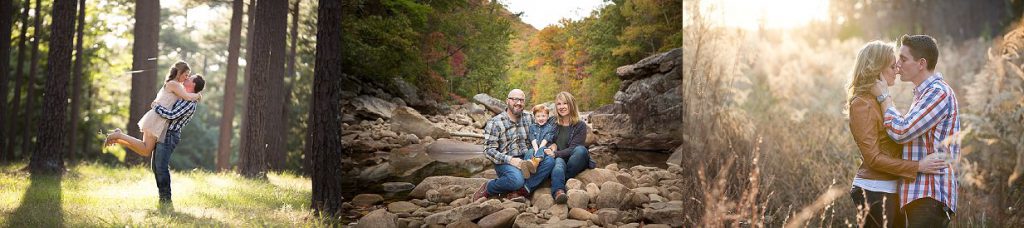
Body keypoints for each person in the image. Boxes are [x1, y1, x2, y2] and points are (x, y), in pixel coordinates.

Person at [846, 40, 944, 228]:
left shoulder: (880, 101)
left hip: (891, 190)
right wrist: (918, 166)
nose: (897, 70)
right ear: (876, 70)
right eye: (892, 66)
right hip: (873, 190)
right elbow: (873, 158)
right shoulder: (862, 104)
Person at [872, 34, 961, 227]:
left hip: (930, 195)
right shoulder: (924, 94)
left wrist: (884, 97)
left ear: (921, 63)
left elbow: (902, 131)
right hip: (921, 196)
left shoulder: (938, 92)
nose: (898, 64)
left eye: (903, 59)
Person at [472, 89, 557, 202]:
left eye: (521, 100)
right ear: (507, 101)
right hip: (506, 162)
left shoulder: (530, 118)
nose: (518, 103)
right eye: (515, 99)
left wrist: (553, 144)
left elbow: (544, 130)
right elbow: (488, 150)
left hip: (528, 158)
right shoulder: (495, 122)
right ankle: (489, 187)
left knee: (550, 161)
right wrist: (511, 160)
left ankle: (523, 190)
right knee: (517, 180)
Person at [104, 61, 202, 157]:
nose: (187, 78)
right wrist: (198, 95)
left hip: (158, 117)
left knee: (145, 151)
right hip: (157, 117)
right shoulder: (174, 84)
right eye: (186, 75)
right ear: (179, 72)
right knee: (146, 150)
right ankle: (120, 136)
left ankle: (119, 138)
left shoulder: (177, 85)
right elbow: (187, 97)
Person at [147, 75, 204, 203]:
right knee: (156, 167)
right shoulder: (184, 95)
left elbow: (171, 115)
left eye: (190, 79)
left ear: (193, 85)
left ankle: (166, 199)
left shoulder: (189, 102)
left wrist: (156, 106)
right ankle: (163, 197)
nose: (186, 78)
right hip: (163, 132)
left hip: (170, 135)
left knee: (161, 167)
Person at [545, 91, 595, 204]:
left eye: (565, 103)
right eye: (559, 104)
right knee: (558, 164)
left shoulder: (580, 125)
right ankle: (559, 192)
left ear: (571, 105)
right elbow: (544, 138)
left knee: (581, 150)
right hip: (559, 159)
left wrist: (555, 154)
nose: (562, 107)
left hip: (575, 159)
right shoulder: (552, 121)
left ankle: (557, 177)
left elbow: (574, 148)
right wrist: (551, 145)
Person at [524, 104, 556, 178]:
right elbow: (533, 139)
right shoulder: (532, 127)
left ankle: (535, 162)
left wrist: (538, 150)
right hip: (534, 146)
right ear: (535, 117)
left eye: (543, 116)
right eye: (538, 116)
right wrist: (536, 149)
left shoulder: (549, 128)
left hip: (544, 147)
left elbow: (546, 140)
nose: (541, 118)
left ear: (547, 117)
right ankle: (526, 168)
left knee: (542, 149)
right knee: (529, 152)